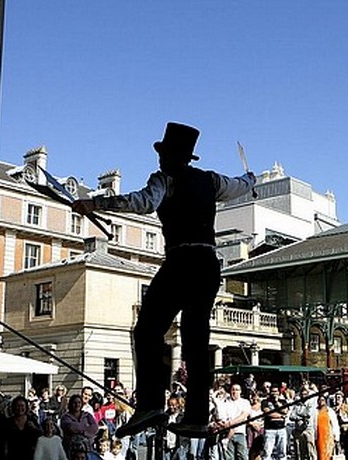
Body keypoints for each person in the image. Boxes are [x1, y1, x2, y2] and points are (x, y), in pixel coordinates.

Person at [73, 122, 256, 438]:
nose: (160, 160)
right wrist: (251, 179)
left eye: (163, 154)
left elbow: (142, 202)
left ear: (171, 156)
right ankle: (197, 415)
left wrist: (95, 203)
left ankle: (150, 402)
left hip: (181, 261)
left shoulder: (164, 180)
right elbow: (239, 185)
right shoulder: (210, 180)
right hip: (208, 264)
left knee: (147, 329)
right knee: (196, 339)